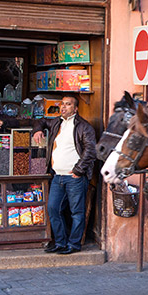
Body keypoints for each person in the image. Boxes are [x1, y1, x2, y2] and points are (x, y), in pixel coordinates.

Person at [32, 95, 96, 255]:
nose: (63, 107)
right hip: (57, 176)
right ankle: (60, 242)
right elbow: (40, 121)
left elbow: (90, 151)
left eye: (68, 105)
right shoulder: (56, 123)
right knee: (53, 208)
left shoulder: (84, 127)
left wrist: (78, 171)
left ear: (75, 109)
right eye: (62, 104)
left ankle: (74, 244)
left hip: (74, 177)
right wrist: (37, 130)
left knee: (77, 212)